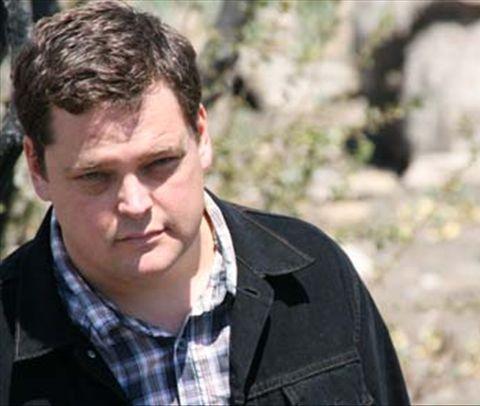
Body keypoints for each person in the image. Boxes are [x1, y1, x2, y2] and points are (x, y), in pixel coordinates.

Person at [0, 1, 410, 405]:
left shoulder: (313, 276)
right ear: (37, 167)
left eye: (159, 163)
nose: (135, 204)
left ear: (201, 135)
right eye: (95, 176)